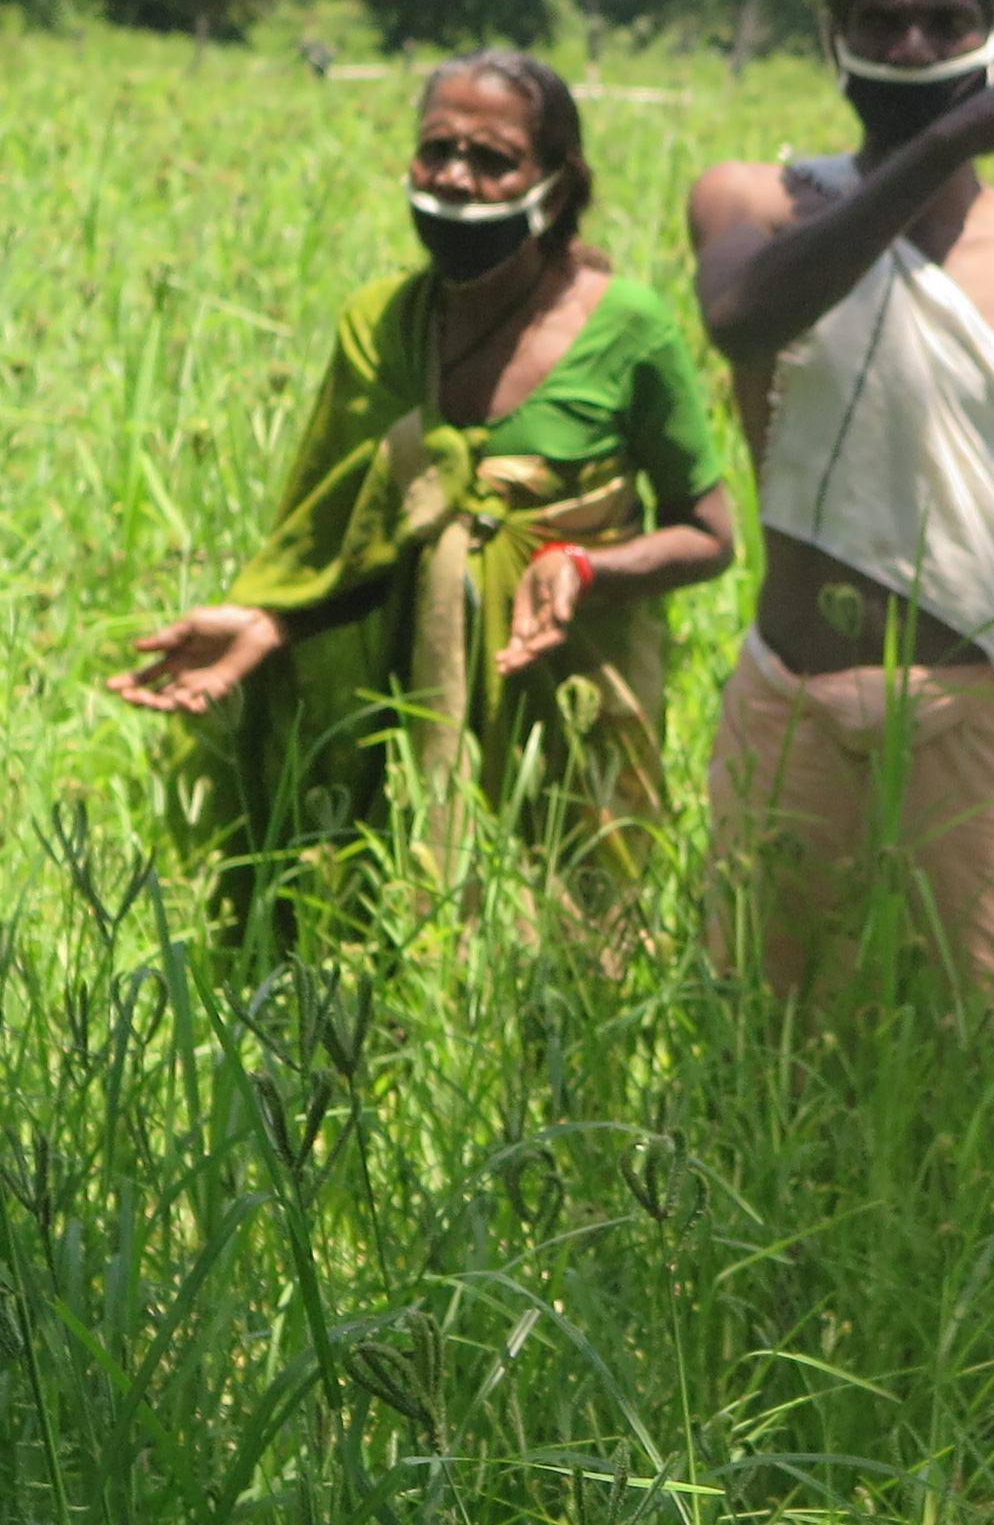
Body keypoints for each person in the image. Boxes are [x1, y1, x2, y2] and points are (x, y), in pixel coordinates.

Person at [117, 50, 738, 904]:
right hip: (395, 729)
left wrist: (583, 567)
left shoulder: (629, 327)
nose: (454, 178)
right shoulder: (380, 329)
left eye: (493, 160)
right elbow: (352, 541)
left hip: (566, 737)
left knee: (571, 949)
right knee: (383, 939)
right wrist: (271, 620)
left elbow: (709, 535)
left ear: (554, 189)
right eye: (436, 150)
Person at [684, 0, 994, 1037]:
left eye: (944, 22)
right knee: (762, 1058)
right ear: (832, 46)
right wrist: (946, 139)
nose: (912, 48)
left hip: (983, 724)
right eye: (881, 22)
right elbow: (742, 317)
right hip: (788, 705)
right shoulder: (754, 201)